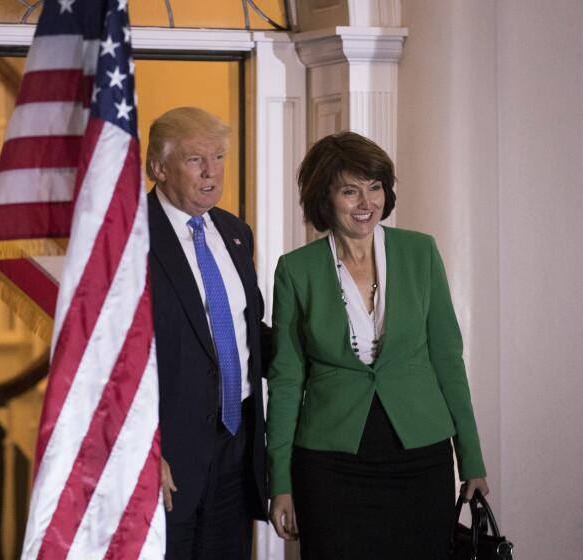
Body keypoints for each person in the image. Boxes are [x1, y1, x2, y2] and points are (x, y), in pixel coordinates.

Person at [266, 131, 489, 559]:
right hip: (331, 465)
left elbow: (447, 360)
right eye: (350, 191)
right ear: (324, 197)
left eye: (375, 188)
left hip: (419, 457)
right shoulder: (296, 270)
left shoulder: (419, 253)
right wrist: (281, 483)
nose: (366, 203)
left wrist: (472, 460)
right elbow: (287, 380)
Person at [146, 107, 268, 559]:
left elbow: (247, 332)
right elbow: (114, 359)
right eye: (196, 160)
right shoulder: (130, 237)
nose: (212, 173)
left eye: (218, 158)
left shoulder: (235, 232)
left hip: (236, 448)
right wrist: (145, 450)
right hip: (167, 458)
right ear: (158, 168)